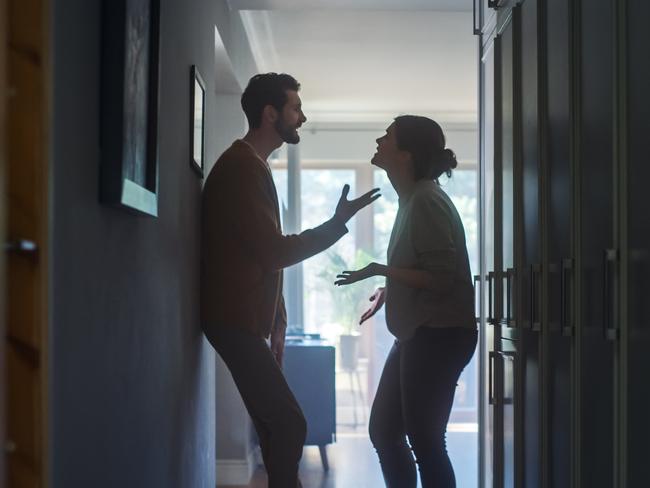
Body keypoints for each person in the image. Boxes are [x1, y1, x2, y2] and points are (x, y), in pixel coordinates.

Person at [201, 73, 380, 488]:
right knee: (289, 424)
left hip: (243, 320)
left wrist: (277, 322)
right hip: (233, 320)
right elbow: (274, 252)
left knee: (275, 426)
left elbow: (260, 256)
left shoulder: (253, 165)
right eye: (295, 108)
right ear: (270, 114)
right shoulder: (242, 168)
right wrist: (336, 224)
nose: (302, 117)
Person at [334, 115, 477, 488]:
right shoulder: (413, 199)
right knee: (385, 431)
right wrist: (391, 288)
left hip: (439, 335)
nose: (379, 140)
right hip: (422, 333)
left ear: (407, 154)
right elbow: (424, 269)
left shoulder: (426, 200)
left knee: (426, 441)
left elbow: (443, 280)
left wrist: (381, 270)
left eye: (388, 136)